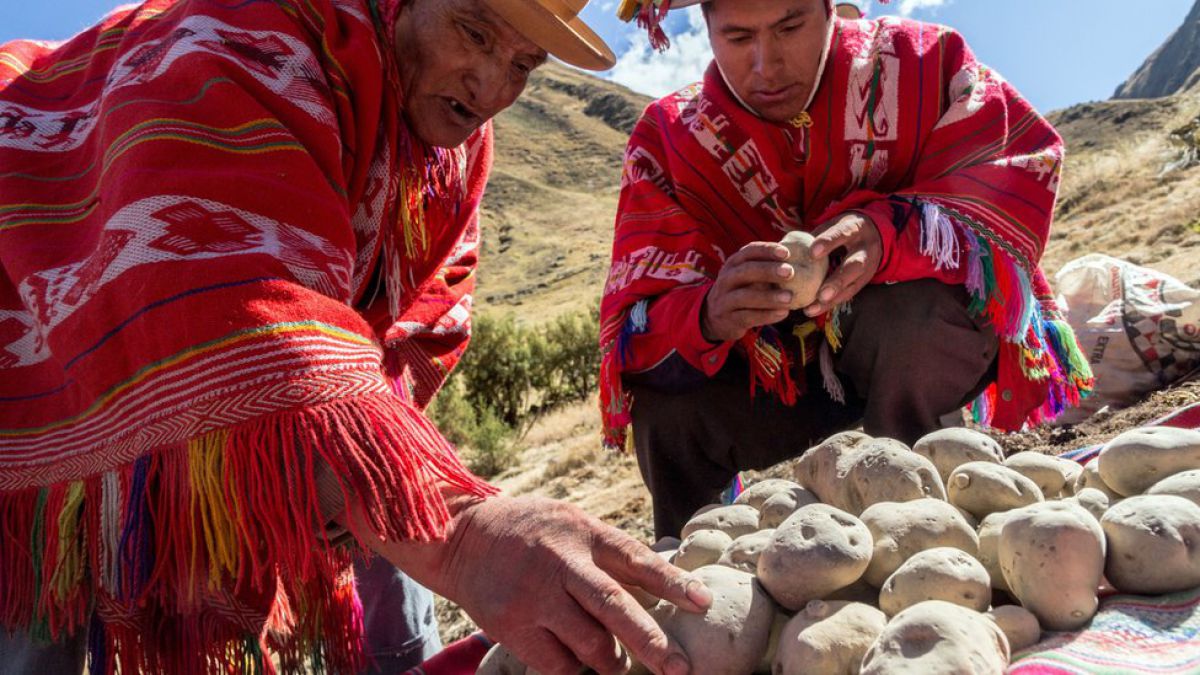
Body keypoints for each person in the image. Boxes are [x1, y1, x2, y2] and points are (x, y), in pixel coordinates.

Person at [0, 1, 710, 674]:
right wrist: (457, 534)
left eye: (525, 65)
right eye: (475, 33)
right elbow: (229, 305)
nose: (494, 86)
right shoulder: (243, 41)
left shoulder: (453, 148)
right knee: (32, 618)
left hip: (303, 388)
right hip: (28, 364)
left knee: (390, 509)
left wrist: (369, 479)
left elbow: (419, 319)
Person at [605, 0, 1094, 538]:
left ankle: (915, 508)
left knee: (912, 315)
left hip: (907, 347)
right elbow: (637, 321)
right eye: (738, 37)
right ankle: (698, 568)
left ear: (830, 8)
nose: (767, 65)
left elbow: (1019, 166)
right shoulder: (670, 138)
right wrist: (707, 315)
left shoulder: (925, 62)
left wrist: (893, 231)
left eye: (790, 26)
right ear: (707, 28)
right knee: (667, 409)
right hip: (778, 379)